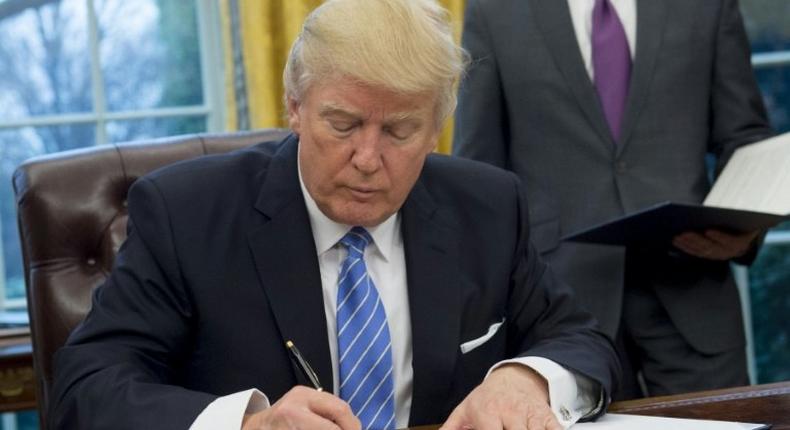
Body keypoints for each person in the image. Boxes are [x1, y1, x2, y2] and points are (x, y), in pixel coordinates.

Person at [48, 0, 620, 429]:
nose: (368, 160)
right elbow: (85, 385)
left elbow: (579, 338)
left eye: (400, 130)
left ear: (437, 126)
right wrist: (245, 424)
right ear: (295, 107)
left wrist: (527, 380)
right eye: (343, 125)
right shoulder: (187, 214)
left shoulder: (489, 207)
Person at [453, 0, 774, 400]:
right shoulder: (494, 11)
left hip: (694, 293)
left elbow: (744, 139)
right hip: (558, 311)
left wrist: (746, 230)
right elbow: (481, 172)